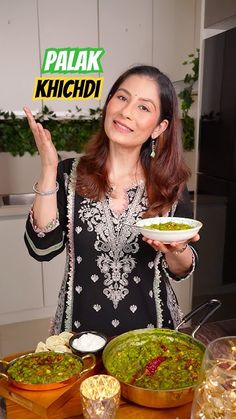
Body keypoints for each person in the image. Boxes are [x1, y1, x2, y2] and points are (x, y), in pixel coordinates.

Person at [24, 65, 199, 337]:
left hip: (153, 335)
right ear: (108, 104)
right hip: (78, 335)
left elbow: (181, 270)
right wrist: (48, 168)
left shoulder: (170, 184)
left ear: (159, 127)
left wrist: (176, 249)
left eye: (144, 107)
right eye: (122, 97)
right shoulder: (69, 174)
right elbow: (42, 248)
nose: (126, 112)